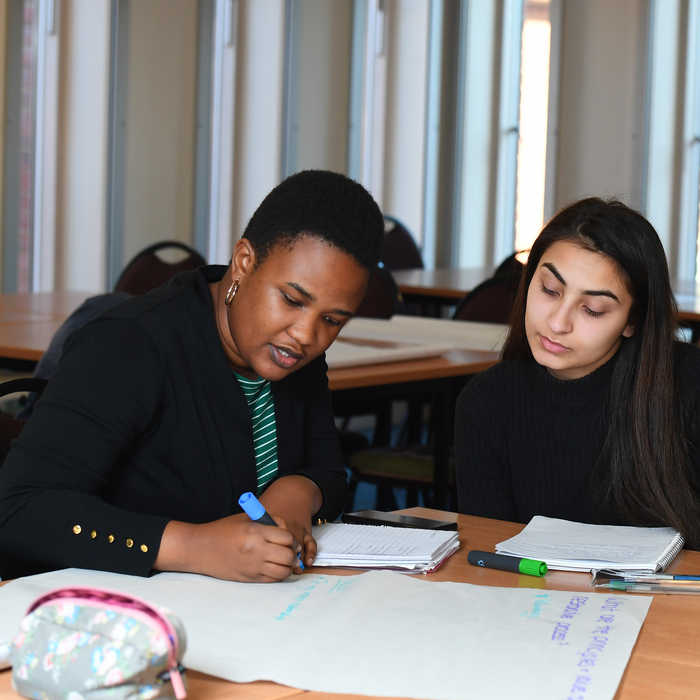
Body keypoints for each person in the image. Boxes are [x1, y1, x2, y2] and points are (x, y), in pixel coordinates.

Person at [0, 169, 384, 581]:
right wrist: (193, 546)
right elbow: (20, 508)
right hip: (110, 613)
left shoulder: (291, 350)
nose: (307, 334)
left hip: (244, 614)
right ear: (243, 262)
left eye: (332, 320)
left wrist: (297, 494)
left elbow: (327, 470)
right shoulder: (128, 344)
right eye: (291, 299)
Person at [455, 197, 700, 548]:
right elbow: (489, 552)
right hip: (534, 599)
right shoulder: (488, 402)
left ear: (633, 320)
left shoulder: (688, 389)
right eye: (550, 290)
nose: (557, 322)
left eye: (593, 309)